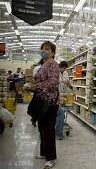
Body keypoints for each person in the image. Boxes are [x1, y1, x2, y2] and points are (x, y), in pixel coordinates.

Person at [28, 41, 59, 169]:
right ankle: (44, 153)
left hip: (50, 102)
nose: (44, 51)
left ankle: (51, 158)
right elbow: (39, 79)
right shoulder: (43, 64)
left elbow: (52, 83)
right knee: (42, 128)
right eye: (42, 49)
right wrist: (30, 85)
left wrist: (36, 86)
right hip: (41, 101)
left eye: (47, 49)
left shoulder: (53, 64)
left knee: (49, 130)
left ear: (52, 52)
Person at [55, 61, 70, 140]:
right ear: (61, 66)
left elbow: (66, 82)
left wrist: (67, 83)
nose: (64, 70)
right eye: (64, 68)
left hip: (58, 94)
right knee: (60, 114)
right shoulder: (55, 73)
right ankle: (58, 134)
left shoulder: (63, 73)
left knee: (60, 113)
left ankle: (57, 131)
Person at [29, 59, 44, 127]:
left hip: (37, 89)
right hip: (42, 89)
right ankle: (37, 120)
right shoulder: (41, 68)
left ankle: (34, 119)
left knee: (36, 105)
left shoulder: (36, 67)